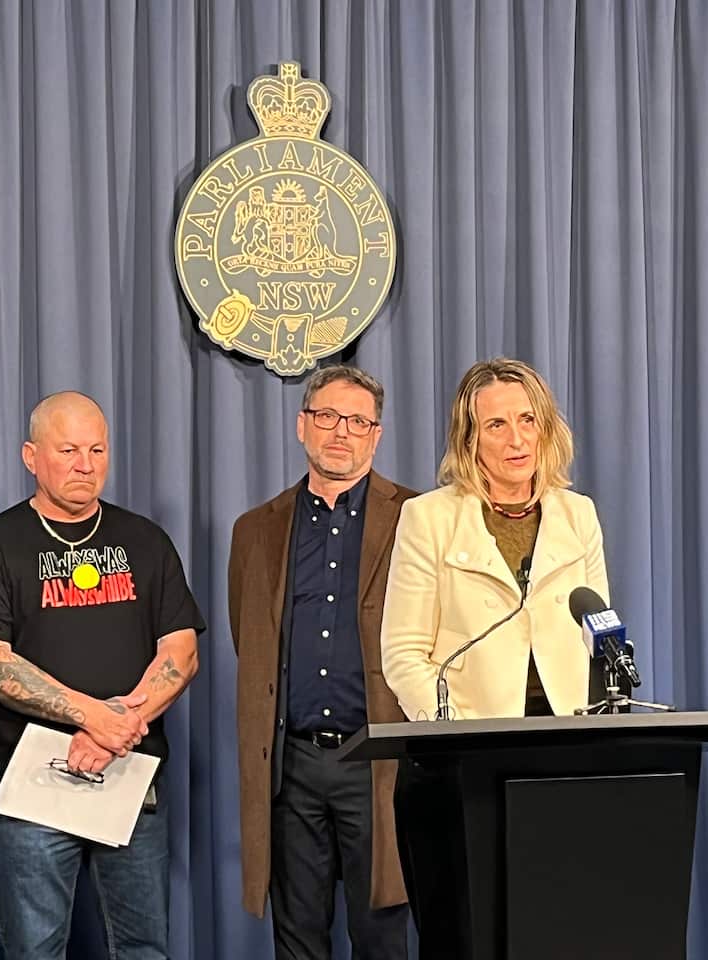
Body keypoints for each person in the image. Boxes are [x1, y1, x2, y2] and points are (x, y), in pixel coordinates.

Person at [0, 391, 204, 960]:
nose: (85, 464)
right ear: (30, 456)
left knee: (144, 948)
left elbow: (182, 652)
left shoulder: (146, 541)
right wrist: (94, 717)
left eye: (97, 449)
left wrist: (122, 724)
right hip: (30, 786)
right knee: (35, 951)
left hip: (130, 776)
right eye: (68, 450)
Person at [379, 357, 610, 956]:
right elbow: (403, 651)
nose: (516, 439)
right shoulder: (428, 518)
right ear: (469, 439)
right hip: (457, 764)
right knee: (464, 938)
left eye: (527, 420)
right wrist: (450, 734)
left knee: (554, 933)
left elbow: (597, 627)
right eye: (496, 426)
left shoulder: (576, 514)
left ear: (547, 427)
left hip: (559, 757)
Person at [228, 365, 415, 960]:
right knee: (298, 938)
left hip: (380, 762)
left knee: (382, 936)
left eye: (358, 421)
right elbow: (250, 641)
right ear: (302, 426)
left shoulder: (419, 519)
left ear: (376, 436)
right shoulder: (256, 530)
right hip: (294, 766)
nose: (342, 432)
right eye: (328, 417)